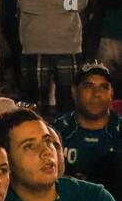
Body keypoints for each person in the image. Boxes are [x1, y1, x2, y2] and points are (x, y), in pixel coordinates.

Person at [52, 62, 122, 194]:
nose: (96, 94)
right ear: (74, 91)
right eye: (88, 86)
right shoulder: (56, 131)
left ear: (112, 93)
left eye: (104, 87)